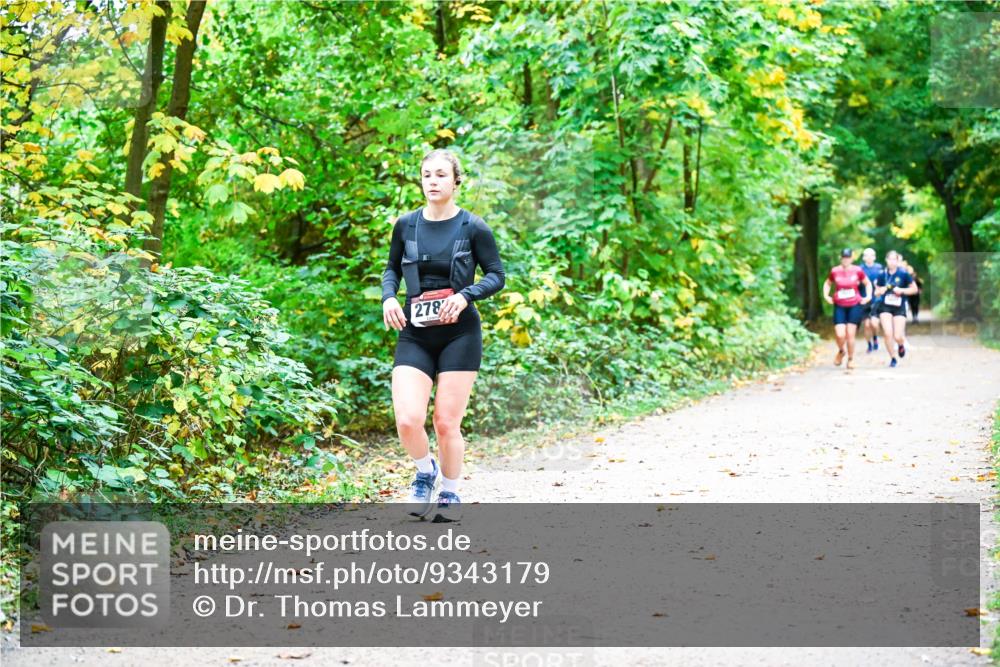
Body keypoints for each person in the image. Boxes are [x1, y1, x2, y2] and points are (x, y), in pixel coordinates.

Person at [381, 149, 505, 522]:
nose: (432, 181)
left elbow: (496, 275)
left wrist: (466, 296)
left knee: (446, 423)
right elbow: (391, 270)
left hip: (459, 335)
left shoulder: (473, 227)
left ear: (455, 181)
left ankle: (450, 492)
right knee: (407, 418)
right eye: (426, 175)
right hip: (416, 333)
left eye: (440, 175)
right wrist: (389, 297)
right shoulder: (407, 225)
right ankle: (424, 472)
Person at [822, 248, 872, 370]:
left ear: (851, 258)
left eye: (848, 257)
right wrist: (826, 295)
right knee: (840, 334)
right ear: (841, 258)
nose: (846, 260)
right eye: (844, 257)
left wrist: (868, 296)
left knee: (850, 334)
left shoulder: (858, 270)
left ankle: (850, 359)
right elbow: (827, 283)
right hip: (839, 305)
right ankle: (841, 351)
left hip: (854, 304)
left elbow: (868, 283)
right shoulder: (835, 271)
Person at [874, 250, 918, 368]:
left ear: (898, 261)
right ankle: (893, 357)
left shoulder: (903, 274)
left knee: (898, 336)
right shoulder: (882, 274)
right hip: (885, 306)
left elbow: (914, 289)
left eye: (895, 259)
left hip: (899, 306)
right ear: (886, 260)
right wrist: (880, 291)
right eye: (890, 259)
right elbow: (876, 292)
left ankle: (901, 345)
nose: (892, 262)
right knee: (888, 333)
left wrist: (902, 290)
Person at [859, 247, 883, 353]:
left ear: (874, 257)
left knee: (874, 324)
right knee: (867, 325)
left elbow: (884, 283)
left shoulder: (879, 268)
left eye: (871, 255)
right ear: (864, 257)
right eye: (867, 255)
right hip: (864, 300)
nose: (869, 257)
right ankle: (869, 344)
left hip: (876, 300)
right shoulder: (859, 269)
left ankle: (875, 339)